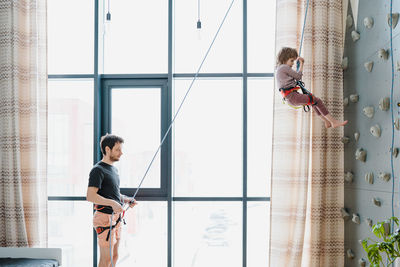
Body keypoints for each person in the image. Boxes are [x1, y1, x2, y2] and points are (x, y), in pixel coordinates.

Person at [87, 134, 137, 267]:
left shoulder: (113, 170)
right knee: (106, 259)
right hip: (104, 218)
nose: (121, 153)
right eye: (118, 149)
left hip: (116, 218)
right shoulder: (98, 170)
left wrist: (125, 199)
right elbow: (90, 196)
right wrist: (113, 203)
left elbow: (113, 194)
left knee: (114, 256)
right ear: (107, 149)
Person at [275, 47, 348, 128]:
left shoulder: (279, 69)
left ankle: (327, 121)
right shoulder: (284, 67)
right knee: (317, 101)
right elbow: (298, 76)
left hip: (291, 98)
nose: (292, 64)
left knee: (313, 102)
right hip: (293, 97)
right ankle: (333, 122)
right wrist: (302, 63)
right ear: (284, 59)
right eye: (291, 61)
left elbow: (292, 79)